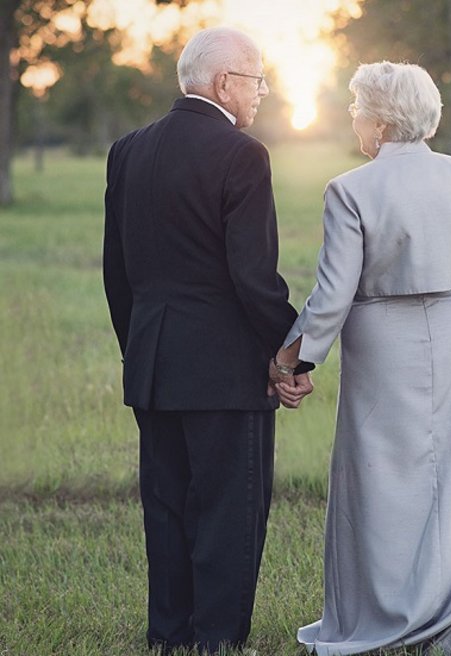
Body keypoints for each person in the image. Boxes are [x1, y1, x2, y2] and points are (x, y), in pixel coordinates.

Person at [273, 61, 451, 655]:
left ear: (380, 122)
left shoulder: (350, 189)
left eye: (357, 109)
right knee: (450, 474)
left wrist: (294, 360)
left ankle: (382, 614)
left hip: (379, 341)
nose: (354, 118)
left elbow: (331, 297)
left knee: (378, 481)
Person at [103, 27, 313, 655]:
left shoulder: (127, 150)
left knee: (165, 509)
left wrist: (138, 347)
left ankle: (169, 637)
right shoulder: (242, 154)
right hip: (224, 374)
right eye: (256, 81)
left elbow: (118, 272)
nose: (261, 94)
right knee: (229, 514)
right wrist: (289, 354)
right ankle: (218, 641)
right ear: (225, 82)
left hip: (153, 365)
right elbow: (254, 278)